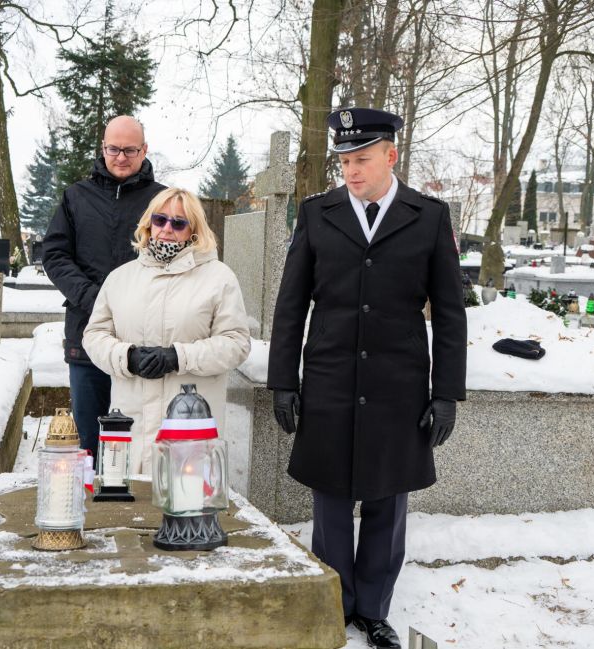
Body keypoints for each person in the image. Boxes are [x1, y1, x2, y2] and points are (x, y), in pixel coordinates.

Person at [267, 108, 467, 648]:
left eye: (361, 159)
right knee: (330, 497)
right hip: (330, 377)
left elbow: (450, 312)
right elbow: (291, 306)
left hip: (399, 385)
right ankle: (335, 603)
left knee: (387, 499)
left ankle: (374, 610)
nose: (351, 172)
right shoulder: (318, 213)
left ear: (390, 155)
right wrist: (283, 380)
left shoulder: (428, 216)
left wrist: (446, 393)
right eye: (344, 161)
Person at [82, 187, 250, 472]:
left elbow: (236, 343)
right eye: (160, 220)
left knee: (186, 507)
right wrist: (127, 356)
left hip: (189, 431)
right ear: (149, 224)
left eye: (179, 223)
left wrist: (179, 357)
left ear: (194, 231)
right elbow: (94, 336)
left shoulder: (219, 278)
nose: (167, 229)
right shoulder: (120, 278)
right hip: (131, 428)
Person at [43, 116, 166, 461]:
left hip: (144, 338)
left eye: (130, 149)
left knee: (138, 438)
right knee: (88, 440)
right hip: (87, 333)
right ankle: (88, 507)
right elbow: (54, 255)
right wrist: (94, 298)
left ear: (144, 150)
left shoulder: (163, 202)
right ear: (103, 148)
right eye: (114, 149)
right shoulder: (76, 197)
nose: (121, 157)